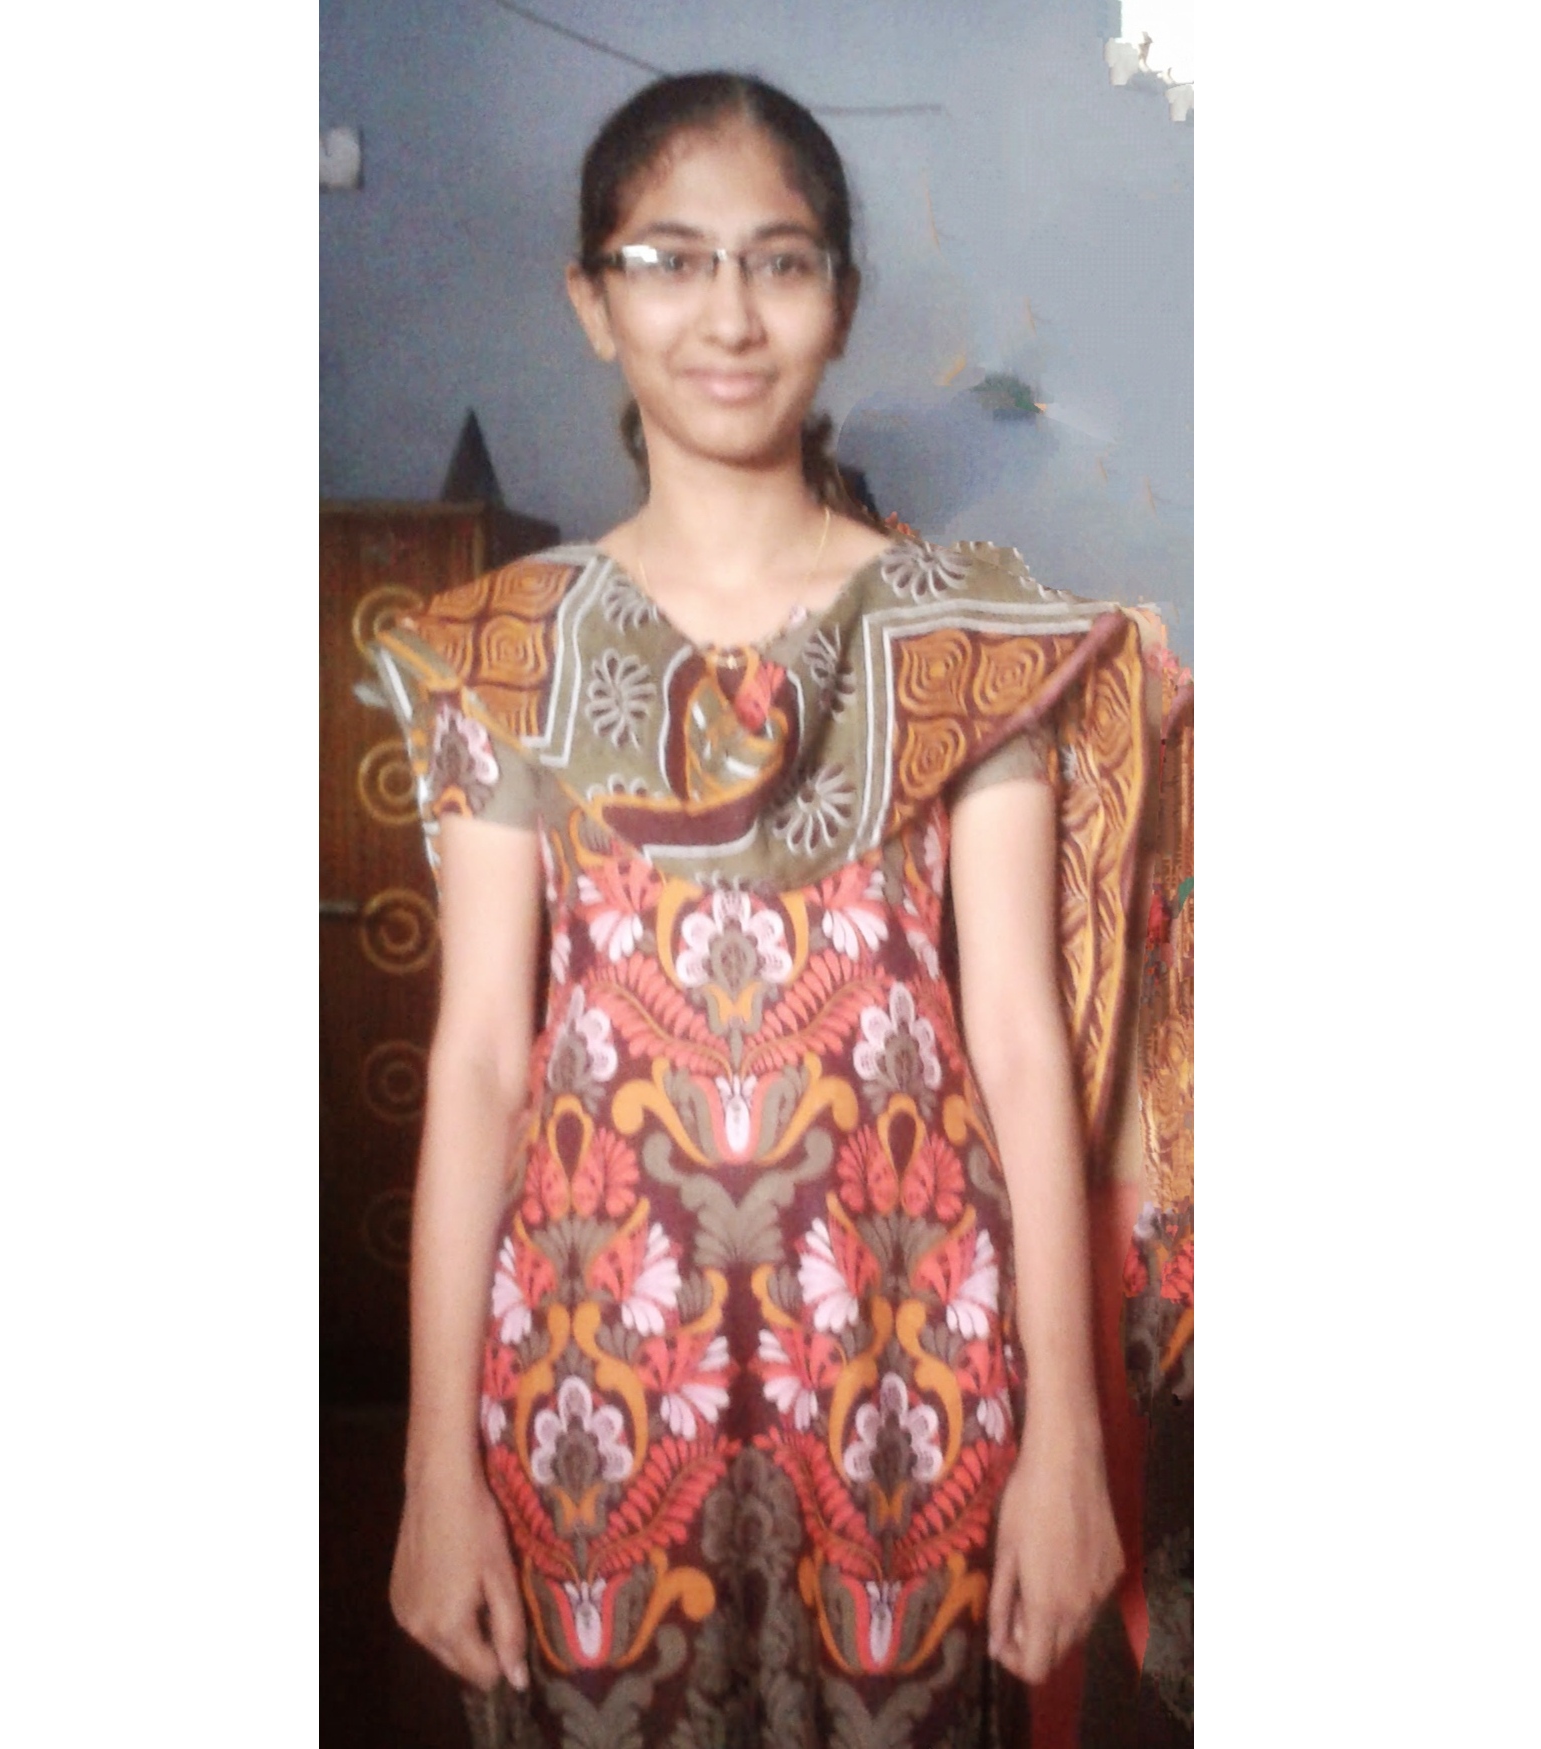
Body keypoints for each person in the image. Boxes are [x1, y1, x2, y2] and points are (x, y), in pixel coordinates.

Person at [374, 69, 1143, 1748]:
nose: (726, 314)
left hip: (910, 1366)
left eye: (779, 261)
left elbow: (1019, 1044)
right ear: (592, 301)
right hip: (589, 1382)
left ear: (840, 301)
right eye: (667, 259)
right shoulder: (504, 650)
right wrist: (436, 1467)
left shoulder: (965, 640)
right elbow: (482, 1060)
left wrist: (1067, 1445)